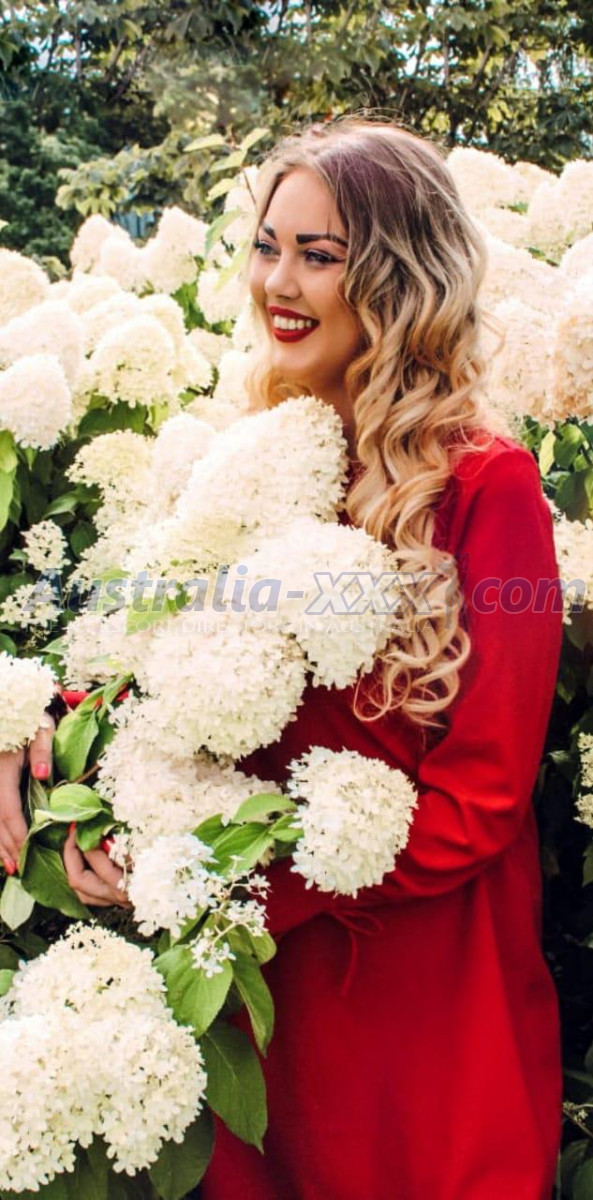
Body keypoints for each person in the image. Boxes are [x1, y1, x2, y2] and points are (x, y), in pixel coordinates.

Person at [0, 117, 564, 1198]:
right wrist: (43, 738)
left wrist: (229, 877)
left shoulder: (486, 487)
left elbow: (482, 800)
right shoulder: (244, 456)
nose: (278, 282)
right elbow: (159, 672)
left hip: (424, 1015)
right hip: (256, 1009)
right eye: (267, 246)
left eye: (319, 253)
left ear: (398, 276)